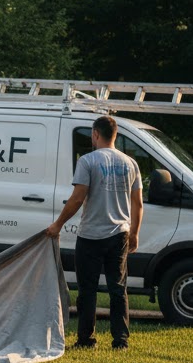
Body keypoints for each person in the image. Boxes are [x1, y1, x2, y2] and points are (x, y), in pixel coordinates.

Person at [46, 115, 143, 350]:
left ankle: (86, 340)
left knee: (87, 290)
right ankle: (121, 341)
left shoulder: (87, 161)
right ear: (115, 136)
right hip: (119, 233)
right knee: (118, 288)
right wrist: (134, 233)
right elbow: (138, 203)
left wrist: (57, 224)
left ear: (95, 135)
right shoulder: (131, 163)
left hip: (90, 235)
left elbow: (78, 198)